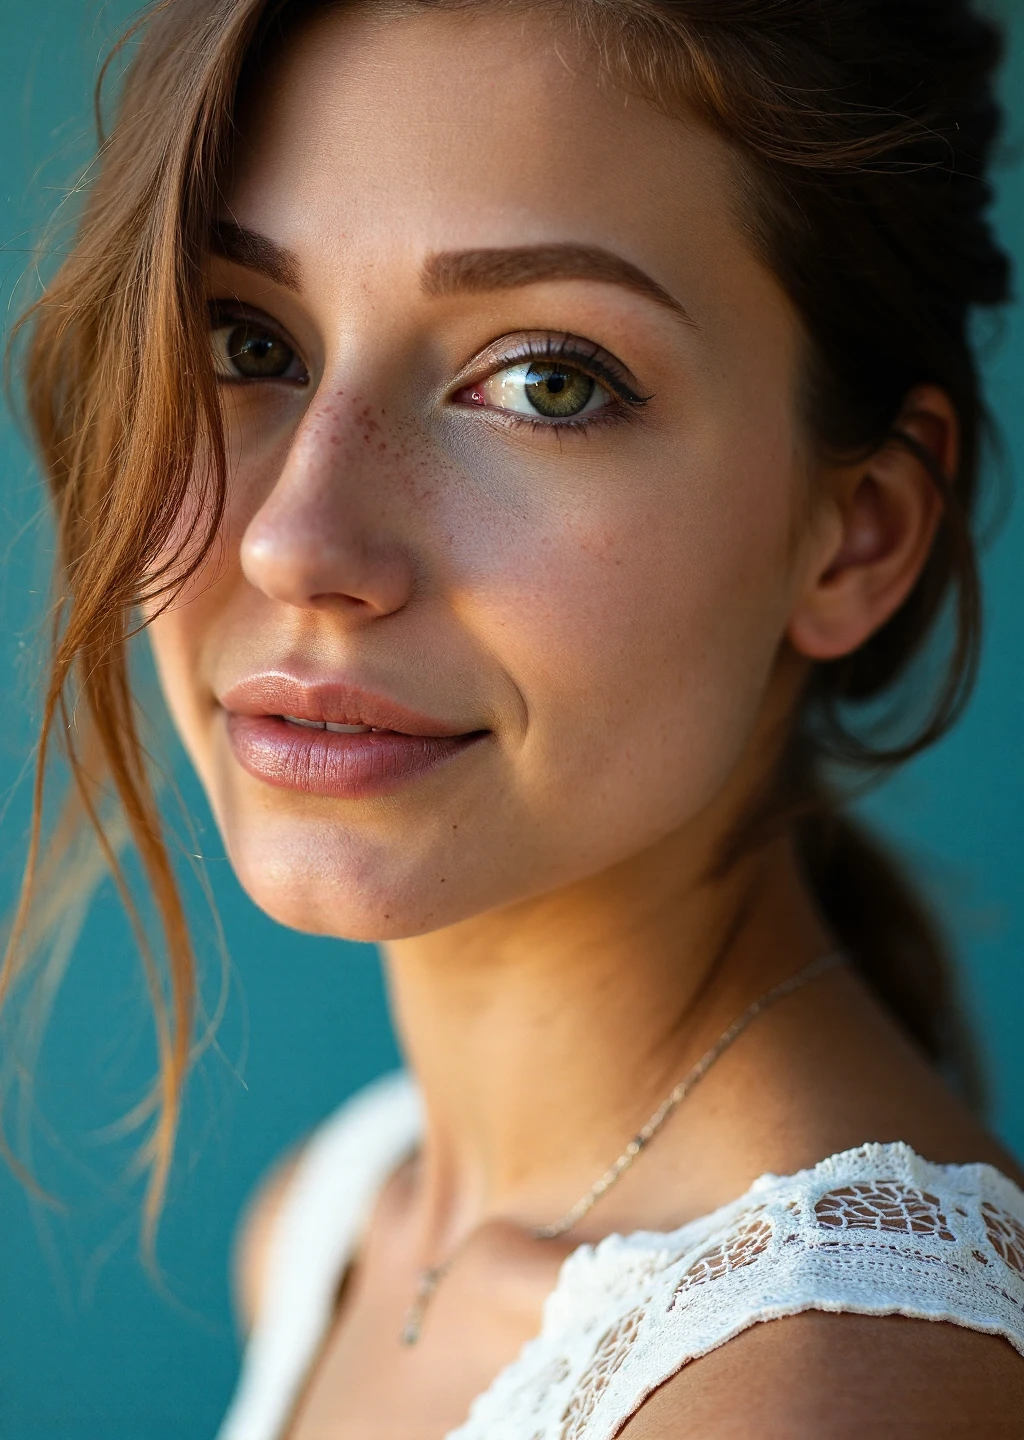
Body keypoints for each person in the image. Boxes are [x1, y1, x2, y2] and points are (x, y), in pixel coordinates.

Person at [9, 0, 1024, 1435]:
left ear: (855, 531)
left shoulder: (811, 1393)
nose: (297, 543)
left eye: (547, 381)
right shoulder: (342, 1221)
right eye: (246, 341)